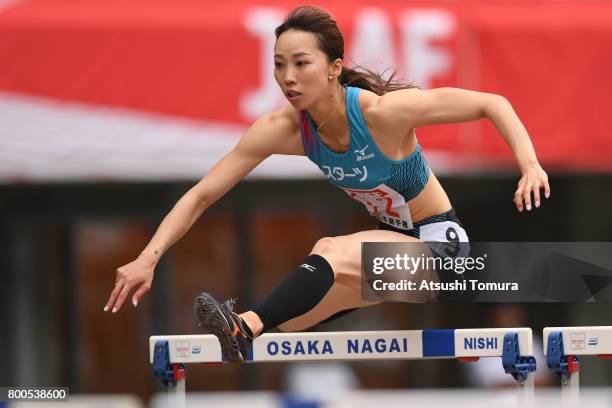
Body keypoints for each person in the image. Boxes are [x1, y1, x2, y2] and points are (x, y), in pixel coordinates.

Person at [104, 6, 550, 362]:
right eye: (279, 65)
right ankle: (255, 326)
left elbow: (493, 103)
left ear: (334, 67)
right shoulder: (284, 129)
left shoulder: (382, 115)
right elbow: (203, 194)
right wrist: (147, 258)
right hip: (387, 255)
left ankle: (243, 326)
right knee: (293, 322)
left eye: (301, 64)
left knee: (328, 251)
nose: (288, 78)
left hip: (441, 251)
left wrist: (529, 165)